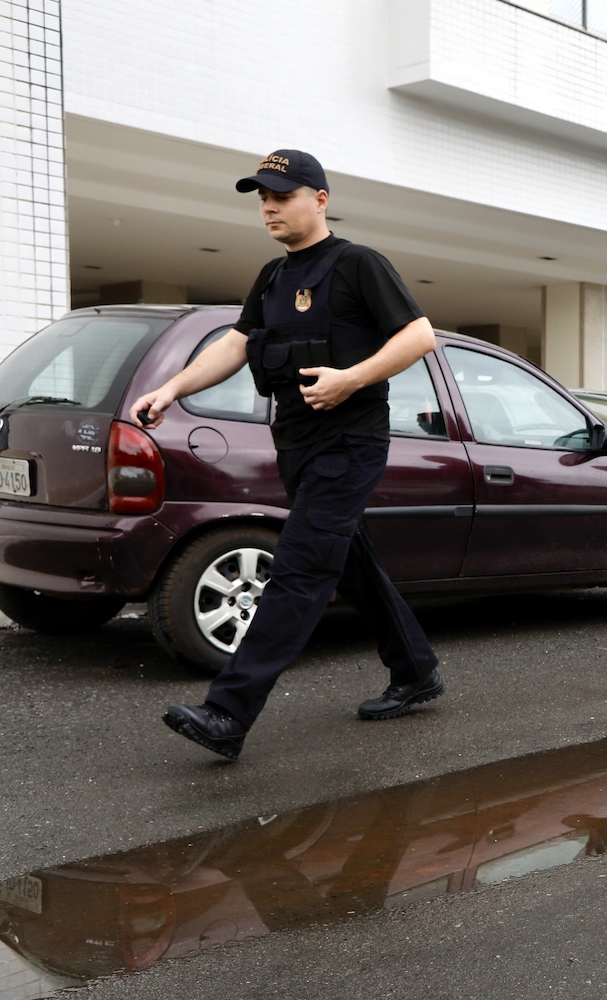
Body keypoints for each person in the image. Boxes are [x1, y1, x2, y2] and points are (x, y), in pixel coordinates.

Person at [129, 149, 444, 761]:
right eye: (262, 198)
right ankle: (416, 670)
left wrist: (351, 378)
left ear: (319, 199)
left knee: (299, 570)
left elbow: (419, 335)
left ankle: (228, 712)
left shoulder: (357, 265)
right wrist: (171, 388)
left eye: (282, 195)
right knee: (350, 561)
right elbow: (238, 343)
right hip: (295, 445)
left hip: (349, 444)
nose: (269, 206)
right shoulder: (273, 278)